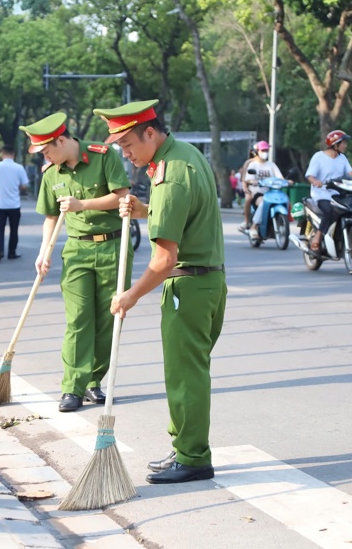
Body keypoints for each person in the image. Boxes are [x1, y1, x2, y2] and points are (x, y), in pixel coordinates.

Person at [96, 99, 226, 485]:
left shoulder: (168, 174)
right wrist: (144, 211)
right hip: (208, 281)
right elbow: (183, 213)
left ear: (149, 132)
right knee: (190, 371)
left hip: (188, 284)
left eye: (129, 145)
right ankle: (186, 444)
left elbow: (163, 259)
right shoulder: (186, 156)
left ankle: (193, 457)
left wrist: (129, 296)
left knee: (185, 375)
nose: (126, 154)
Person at [21, 112, 132, 413]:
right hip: (77, 250)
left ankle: (94, 382)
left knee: (108, 317)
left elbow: (122, 197)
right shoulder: (51, 174)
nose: (45, 156)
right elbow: (51, 217)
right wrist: (44, 251)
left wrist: (83, 204)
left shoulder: (103, 155)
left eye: (46, 150)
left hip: (112, 247)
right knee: (78, 318)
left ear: (61, 140)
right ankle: (73, 386)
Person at [304, 130, 352, 254]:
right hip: (322, 194)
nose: (345, 146)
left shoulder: (342, 158)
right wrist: (315, 181)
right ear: (335, 144)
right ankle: (317, 238)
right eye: (343, 143)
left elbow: (351, 173)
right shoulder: (319, 156)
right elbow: (310, 175)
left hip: (338, 194)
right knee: (329, 211)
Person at [0, 144, 29, 261]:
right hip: (14, 205)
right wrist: (16, 187)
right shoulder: (19, 168)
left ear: (2, 153)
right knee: (14, 230)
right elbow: (24, 185)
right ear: (13, 154)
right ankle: (12, 252)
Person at [242, 141, 284, 241]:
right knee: (263, 203)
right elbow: (248, 178)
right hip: (258, 191)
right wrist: (253, 182)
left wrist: (287, 181)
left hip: (272, 191)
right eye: (263, 150)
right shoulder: (252, 164)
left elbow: (280, 177)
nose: (265, 152)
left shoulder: (271, 165)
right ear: (257, 151)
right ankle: (254, 226)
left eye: (266, 150)